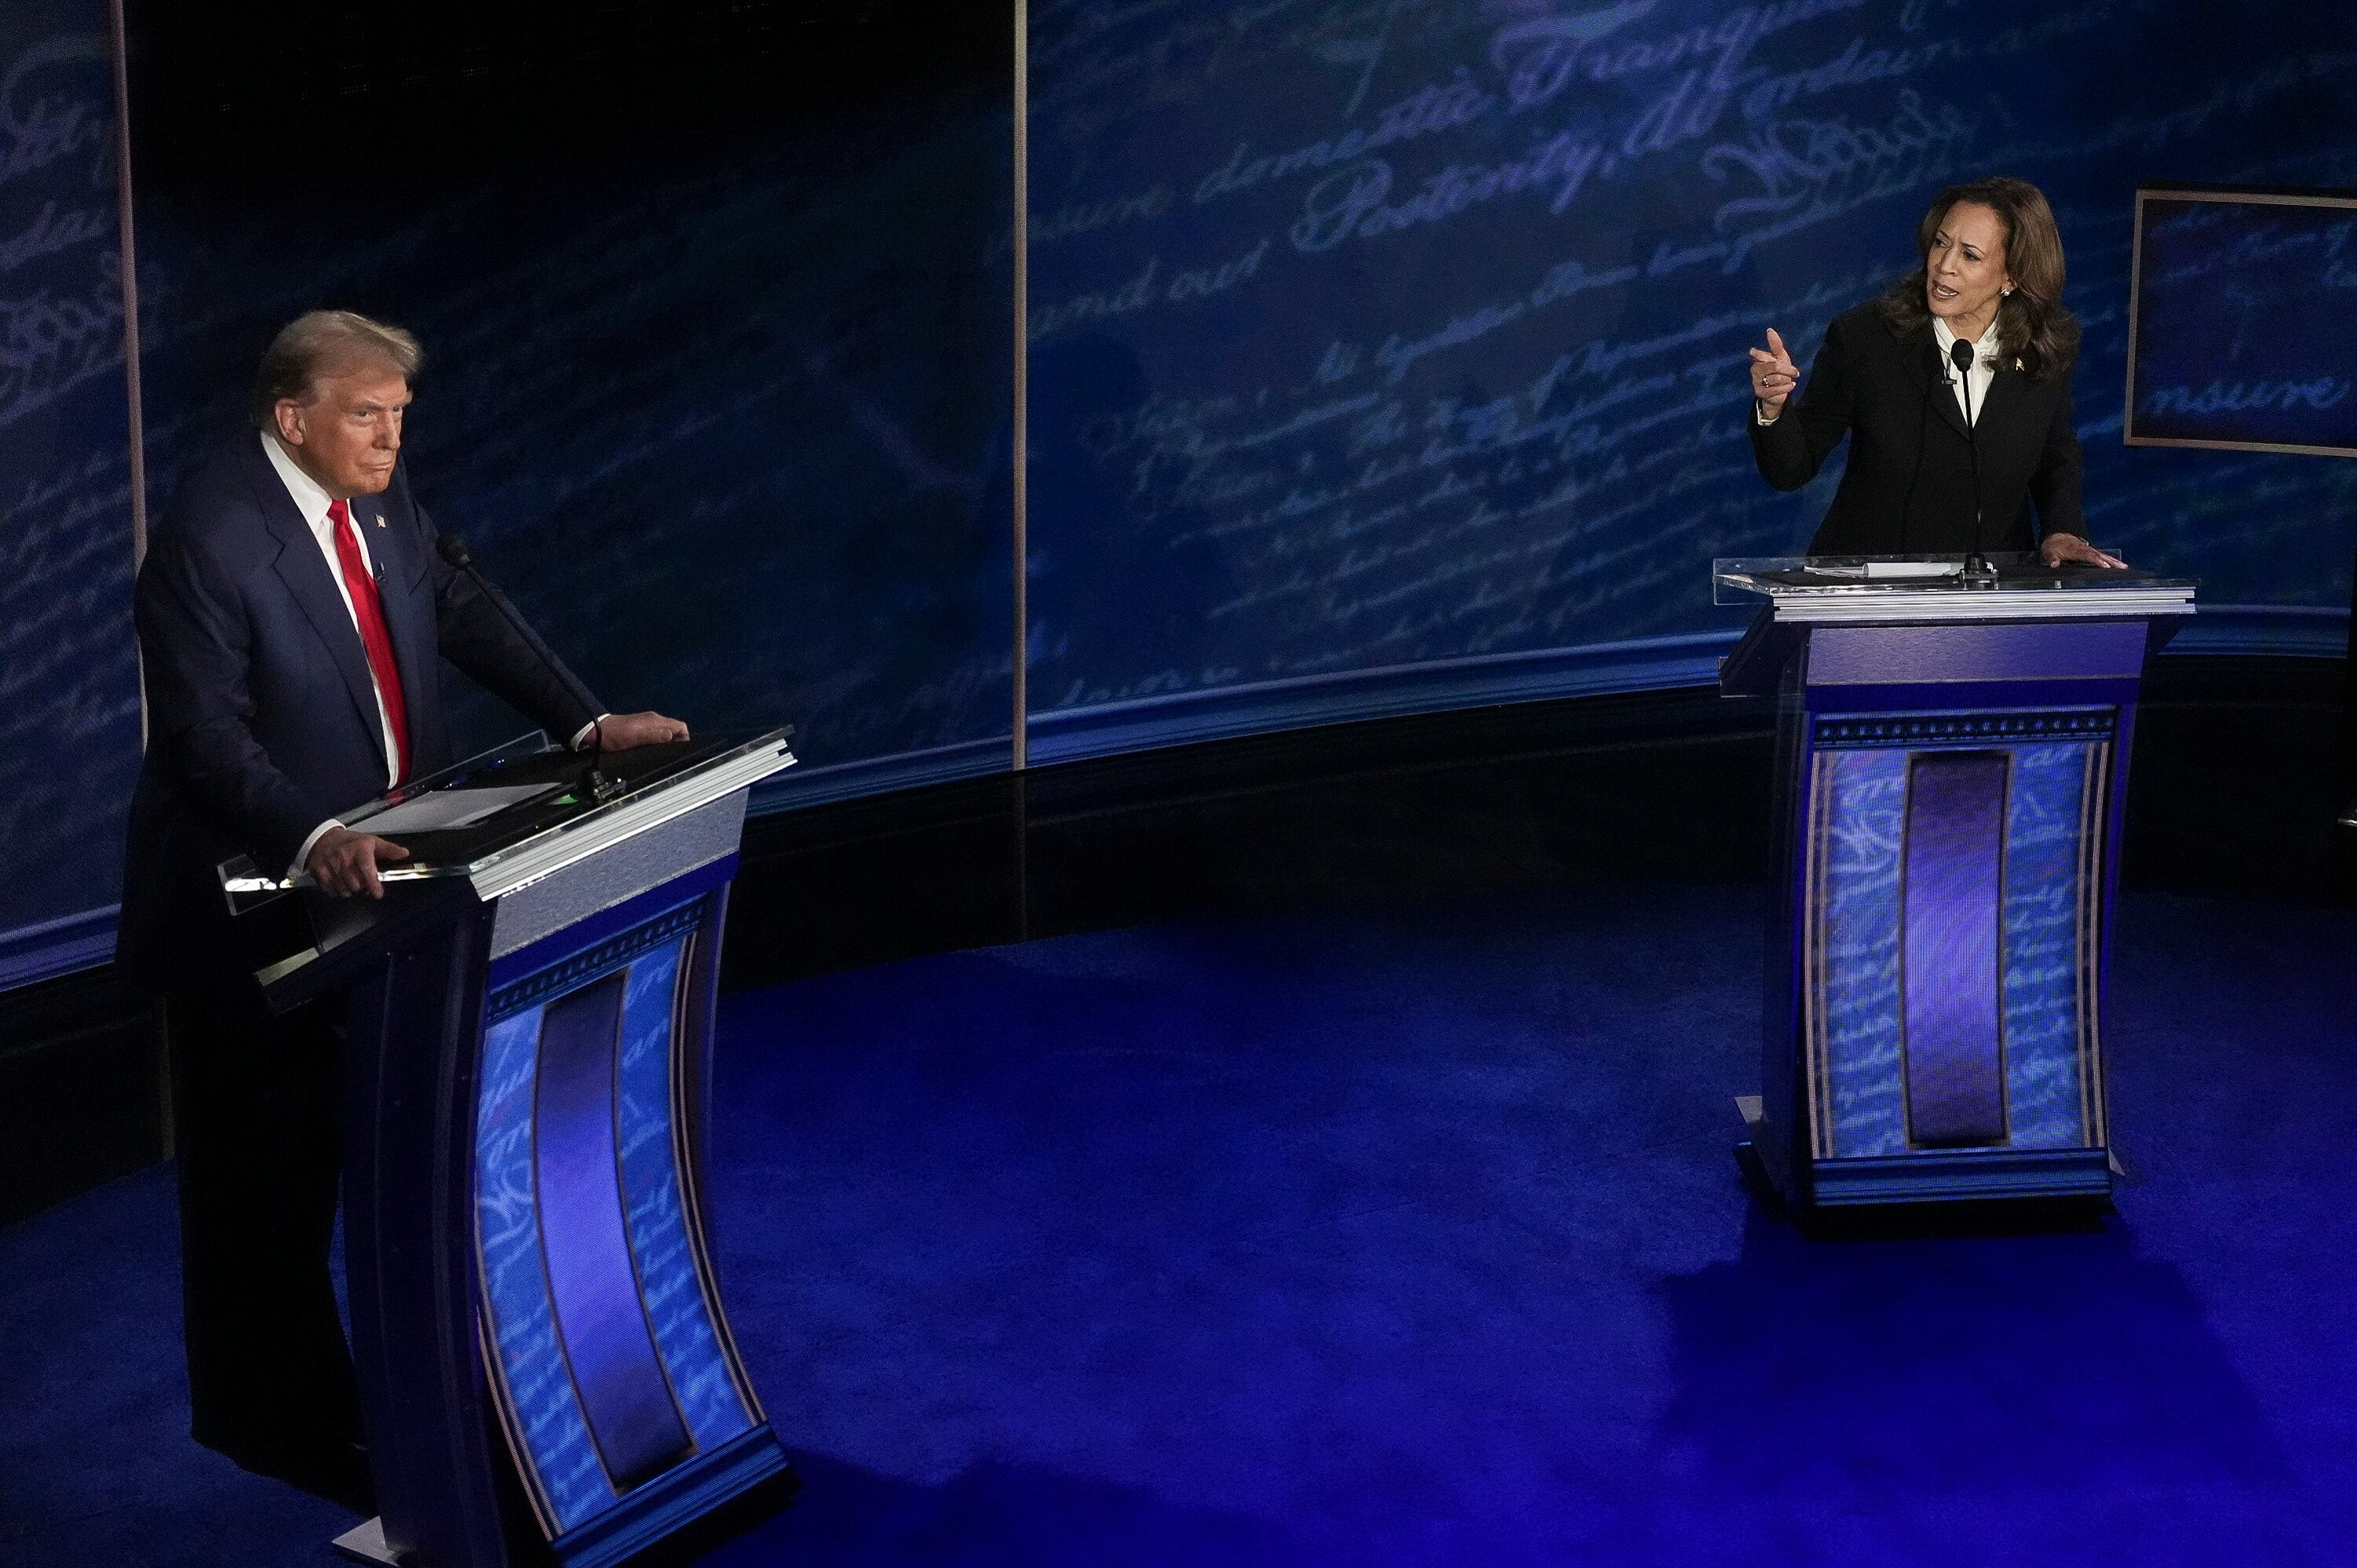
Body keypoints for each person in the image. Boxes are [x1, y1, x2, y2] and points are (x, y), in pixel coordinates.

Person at [116, 309, 689, 1512]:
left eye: (398, 417)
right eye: (367, 416)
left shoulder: (377, 494)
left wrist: (583, 722)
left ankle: (391, 1398)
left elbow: (458, 609)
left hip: (390, 890)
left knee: (375, 1137)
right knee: (264, 1183)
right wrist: (317, 835)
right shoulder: (208, 546)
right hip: (252, 907)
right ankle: (273, 1423)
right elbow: (203, 740)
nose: (389, 439)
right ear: (294, 419)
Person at [1745, 176, 2127, 568]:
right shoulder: (1866, 338)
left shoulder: (2042, 347)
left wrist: (2062, 530)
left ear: (2012, 275)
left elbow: (2055, 457)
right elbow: (1791, 469)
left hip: (1991, 594)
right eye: (1941, 243)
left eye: (1970, 255)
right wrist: (1773, 409)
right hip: (1869, 592)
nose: (1944, 266)